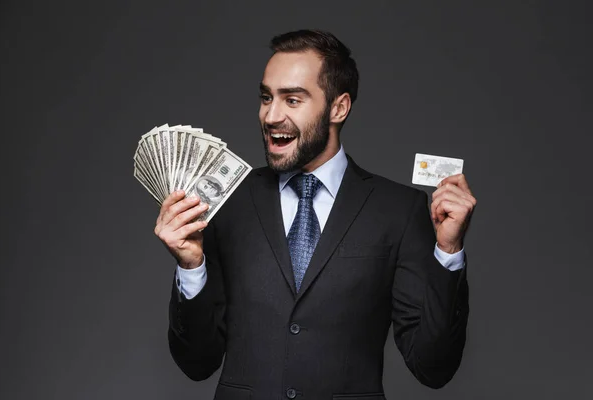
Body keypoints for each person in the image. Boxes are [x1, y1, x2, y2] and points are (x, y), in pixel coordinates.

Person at [154, 29, 476, 400]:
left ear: (339, 108)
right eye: (265, 97)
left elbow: (433, 367)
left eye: (292, 100)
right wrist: (191, 268)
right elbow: (197, 363)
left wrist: (448, 253)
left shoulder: (398, 210)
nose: (271, 115)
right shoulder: (225, 201)